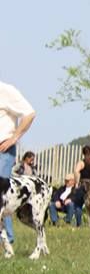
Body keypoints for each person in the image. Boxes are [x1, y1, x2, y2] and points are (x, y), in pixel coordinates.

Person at [0, 82, 36, 246]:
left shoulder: (5, 90)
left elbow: (29, 113)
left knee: (1, 195)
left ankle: (6, 240)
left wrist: (14, 137)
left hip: (3, 151)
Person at [74, 145, 90, 226]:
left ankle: (79, 224)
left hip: (85, 185)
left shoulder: (82, 162)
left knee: (78, 204)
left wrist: (77, 182)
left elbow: (76, 171)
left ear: (83, 153)